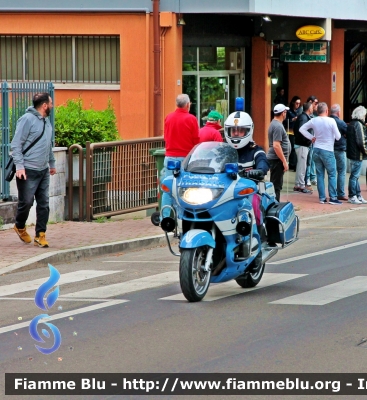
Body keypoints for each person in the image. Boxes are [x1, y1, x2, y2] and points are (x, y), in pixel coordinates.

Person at [11, 92, 56, 247]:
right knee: (27, 202)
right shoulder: (26, 120)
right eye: (50, 103)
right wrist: (20, 167)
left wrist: (52, 163)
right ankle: (20, 225)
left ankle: (40, 235)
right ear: (44, 105)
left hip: (43, 170)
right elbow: (16, 145)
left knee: (44, 203)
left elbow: (47, 143)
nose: (52, 105)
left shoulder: (46, 122)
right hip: (28, 170)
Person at [161, 93, 200, 217]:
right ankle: (181, 217)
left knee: (168, 188)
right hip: (185, 158)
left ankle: (165, 217)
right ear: (188, 105)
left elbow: (166, 137)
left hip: (170, 158)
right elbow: (196, 140)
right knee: (185, 188)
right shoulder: (191, 119)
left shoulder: (168, 118)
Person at [299, 102, 342, 205]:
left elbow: (301, 129)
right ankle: (333, 197)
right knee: (332, 174)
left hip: (316, 149)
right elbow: (338, 137)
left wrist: (311, 137)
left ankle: (322, 198)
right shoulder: (331, 121)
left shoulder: (314, 120)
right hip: (328, 150)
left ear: (317, 111)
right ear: (327, 111)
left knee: (319, 174)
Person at [266, 104, 291, 202]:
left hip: (276, 159)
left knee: (276, 184)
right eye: (285, 112)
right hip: (277, 160)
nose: (286, 114)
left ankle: (275, 203)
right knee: (276, 185)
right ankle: (275, 205)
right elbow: (276, 145)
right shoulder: (277, 126)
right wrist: (284, 161)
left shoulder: (275, 124)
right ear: (283, 113)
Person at [346, 105, 367, 204]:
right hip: (357, 154)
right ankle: (352, 196)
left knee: (355, 176)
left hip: (352, 153)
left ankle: (357, 195)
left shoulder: (351, 124)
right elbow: (360, 141)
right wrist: (365, 151)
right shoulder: (358, 125)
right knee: (354, 176)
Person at [293, 102, 313, 194]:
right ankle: (301, 185)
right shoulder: (304, 118)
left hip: (301, 144)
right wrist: (308, 140)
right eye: (312, 107)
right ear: (309, 109)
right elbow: (301, 131)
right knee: (302, 166)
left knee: (300, 165)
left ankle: (298, 184)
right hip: (302, 145)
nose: (313, 108)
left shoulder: (302, 117)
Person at [329, 104, 348, 201]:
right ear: (338, 112)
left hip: (330, 148)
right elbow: (347, 133)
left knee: (332, 172)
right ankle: (340, 193)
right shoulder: (341, 123)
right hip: (340, 149)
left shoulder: (327, 121)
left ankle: (332, 193)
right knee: (341, 171)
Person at [284, 96, 301, 171]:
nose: (298, 105)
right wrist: (292, 119)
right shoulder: (288, 111)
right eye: (297, 103)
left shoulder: (298, 111)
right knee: (291, 148)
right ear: (293, 102)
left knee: (295, 147)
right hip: (289, 131)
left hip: (296, 131)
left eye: (299, 104)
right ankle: (292, 164)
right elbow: (285, 120)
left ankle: (294, 164)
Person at [305, 96, 319, 187]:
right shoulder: (306, 116)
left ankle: (312, 177)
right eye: (315, 103)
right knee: (309, 160)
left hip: (314, 140)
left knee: (313, 159)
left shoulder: (315, 116)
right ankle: (308, 178)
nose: (316, 105)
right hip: (309, 141)